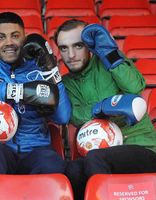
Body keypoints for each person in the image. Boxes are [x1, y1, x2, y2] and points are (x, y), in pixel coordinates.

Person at [0, 12, 71, 198]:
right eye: (1, 37)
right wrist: (19, 92)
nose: (9, 43)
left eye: (15, 36)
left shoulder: (37, 63)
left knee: (52, 162)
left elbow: (63, 117)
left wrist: (51, 71)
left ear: (24, 38)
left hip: (36, 148)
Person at [54, 19, 156, 199]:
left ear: (89, 45)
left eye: (78, 46)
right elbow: (73, 115)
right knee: (72, 170)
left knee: (95, 158)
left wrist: (110, 54)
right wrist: (101, 108)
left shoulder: (109, 61)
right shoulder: (66, 83)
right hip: (101, 152)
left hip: (142, 148)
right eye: (64, 48)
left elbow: (135, 88)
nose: (71, 54)